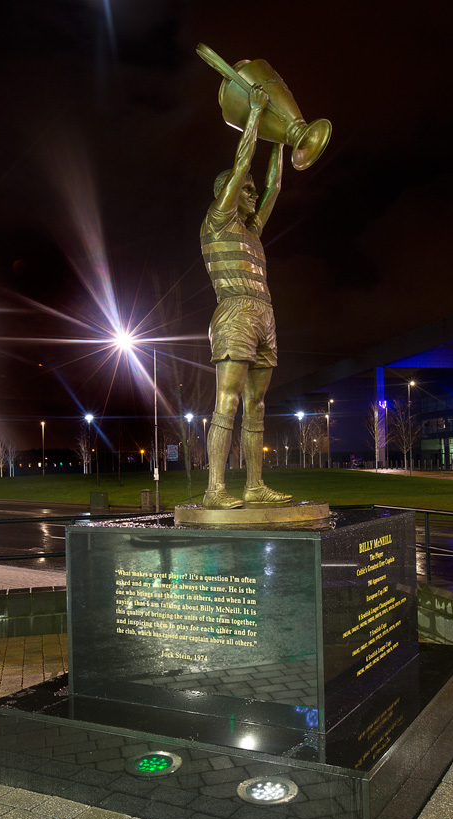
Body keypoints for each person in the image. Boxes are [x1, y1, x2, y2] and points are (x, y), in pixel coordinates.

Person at [201, 83, 292, 510]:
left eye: (252, 193)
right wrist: (254, 115)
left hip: (264, 314)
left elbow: (274, 186)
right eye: (246, 192)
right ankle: (215, 488)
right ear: (230, 194)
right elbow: (241, 168)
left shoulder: (252, 231)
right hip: (235, 311)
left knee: (256, 403)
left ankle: (254, 486)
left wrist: (283, 137)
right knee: (229, 400)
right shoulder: (219, 220)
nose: (253, 195)